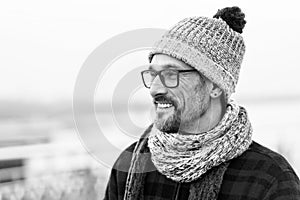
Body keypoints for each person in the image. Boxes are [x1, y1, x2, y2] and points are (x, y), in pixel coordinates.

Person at [104, 6, 300, 200]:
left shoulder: (269, 179)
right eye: (153, 74)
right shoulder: (130, 165)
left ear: (215, 85)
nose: (155, 89)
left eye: (171, 74)